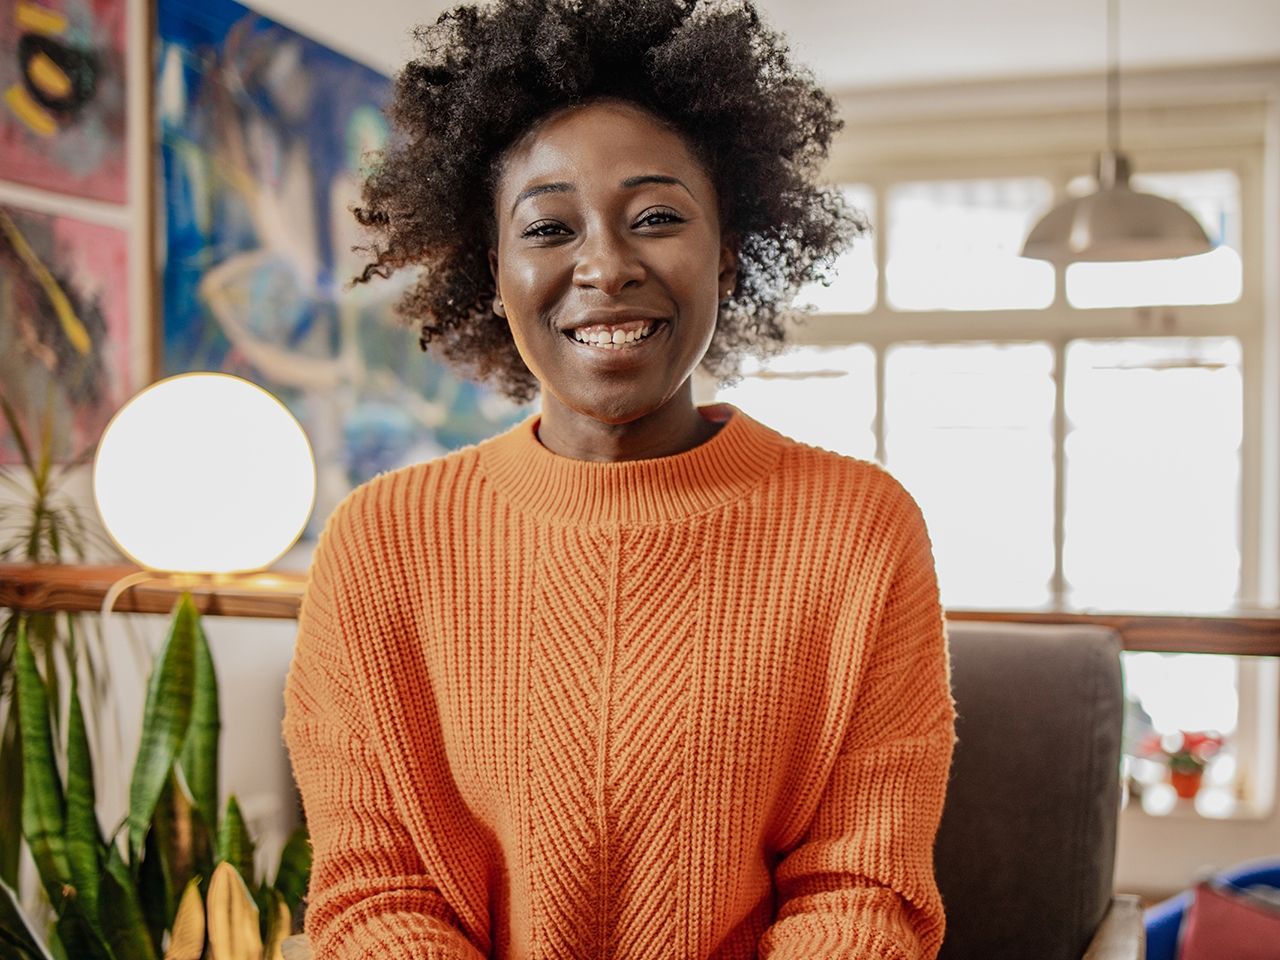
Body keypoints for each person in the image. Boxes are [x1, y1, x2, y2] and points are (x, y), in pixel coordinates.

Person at [281, 1, 957, 957]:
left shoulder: (859, 527)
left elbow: (862, 890)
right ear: (494, 269)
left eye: (656, 218)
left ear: (728, 253)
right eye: (549, 227)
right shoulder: (383, 538)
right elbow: (374, 891)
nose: (604, 264)